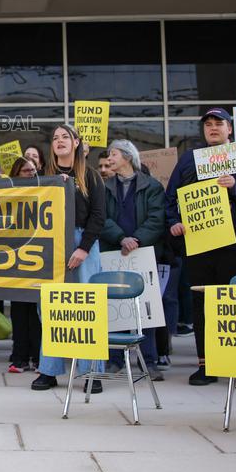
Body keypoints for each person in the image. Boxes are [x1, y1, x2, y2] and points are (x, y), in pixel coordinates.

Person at [165, 108, 236, 386]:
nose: (212, 128)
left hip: (235, 244)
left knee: (234, 303)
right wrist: (175, 222)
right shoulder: (189, 160)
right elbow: (171, 197)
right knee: (202, 304)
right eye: (208, 124)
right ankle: (206, 364)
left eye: (218, 123)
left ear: (230, 129)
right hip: (199, 243)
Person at [32, 125, 107, 392]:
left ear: (76, 143)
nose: (60, 141)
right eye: (55, 138)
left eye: (65, 137)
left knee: (88, 306)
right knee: (51, 306)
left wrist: (83, 248)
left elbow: (99, 216)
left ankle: (91, 372)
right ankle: (48, 370)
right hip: (51, 244)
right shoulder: (43, 176)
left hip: (82, 243)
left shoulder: (92, 176)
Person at [98, 139, 166, 380]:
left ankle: (149, 361)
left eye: (114, 154)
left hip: (143, 254)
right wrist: (120, 238)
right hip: (115, 253)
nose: (109, 159)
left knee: (146, 310)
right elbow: (101, 218)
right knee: (116, 307)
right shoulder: (104, 187)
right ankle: (115, 360)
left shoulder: (152, 186)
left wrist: (136, 239)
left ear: (127, 157)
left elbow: (157, 219)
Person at [7, 156, 42, 373]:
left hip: (38, 258)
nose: (30, 174)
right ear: (16, 174)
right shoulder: (8, 194)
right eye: (25, 171)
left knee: (37, 313)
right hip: (16, 260)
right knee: (19, 311)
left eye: (33, 170)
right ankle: (19, 357)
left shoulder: (44, 192)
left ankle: (38, 357)